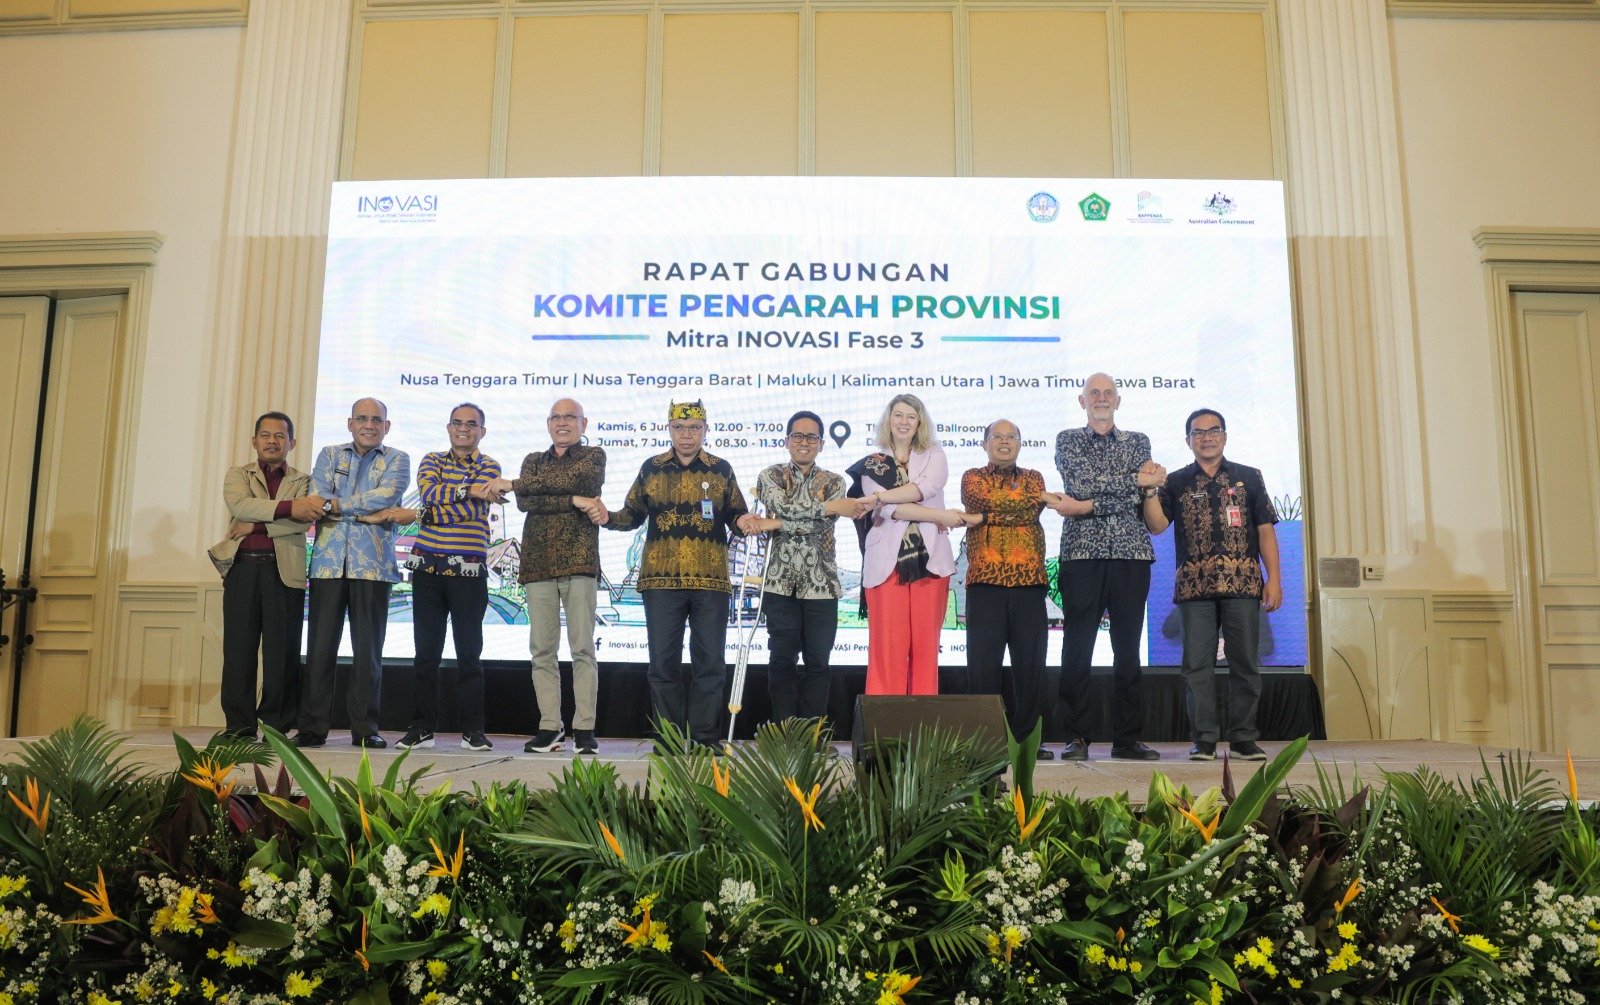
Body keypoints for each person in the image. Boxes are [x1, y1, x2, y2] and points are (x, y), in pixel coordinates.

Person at [592, 400, 747, 748]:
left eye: (694, 428)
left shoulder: (721, 469)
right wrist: (607, 517)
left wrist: (745, 521)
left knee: (710, 664)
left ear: (706, 430)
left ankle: (705, 739)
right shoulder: (652, 468)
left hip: (711, 581)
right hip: (660, 581)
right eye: (679, 428)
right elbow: (632, 515)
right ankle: (671, 740)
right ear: (669, 430)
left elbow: (736, 515)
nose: (686, 435)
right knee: (663, 666)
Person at [1144, 408, 1281, 762]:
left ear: (1224, 436)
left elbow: (1265, 530)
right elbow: (1157, 526)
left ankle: (1243, 739)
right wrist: (1149, 491)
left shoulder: (1249, 477)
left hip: (1244, 584)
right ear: (1188, 440)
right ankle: (1203, 740)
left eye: (1213, 430)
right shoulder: (1176, 481)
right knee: (1196, 665)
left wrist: (1275, 580)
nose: (1206, 438)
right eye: (1198, 432)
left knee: (1245, 663)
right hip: (1195, 588)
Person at [372, 403, 505, 753]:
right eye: (457, 423)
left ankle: (473, 730)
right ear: (449, 428)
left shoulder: (490, 466)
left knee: (469, 655)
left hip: (468, 572)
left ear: (482, 431)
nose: (464, 429)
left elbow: (471, 509)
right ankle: (421, 729)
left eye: (472, 424)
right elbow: (430, 495)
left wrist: (426, 513)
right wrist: (468, 490)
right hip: (428, 570)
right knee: (425, 654)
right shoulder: (431, 460)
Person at [1050, 372, 1165, 761]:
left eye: (1108, 393)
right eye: (1093, 393)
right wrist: (1132, 483)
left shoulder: (1139, 441)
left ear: (1118, 401)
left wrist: (1086, 506)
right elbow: (1082, 484)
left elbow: (1097, 494)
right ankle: (1077, 737)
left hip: (1132, 556)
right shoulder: (1068, 439)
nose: (1101, 398)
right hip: (1082, 556)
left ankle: (1127, 739)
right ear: (1082, 401)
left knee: (1128, 651)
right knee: (1077, 648)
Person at [296, 397, 411, 749]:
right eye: (362, 418)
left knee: (368, 653)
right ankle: (312, 728)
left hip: (373, 567)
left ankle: (365, 729)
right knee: (319, 649)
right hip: (328, 564)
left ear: (386, 426)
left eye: (376, 419)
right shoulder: (329, 455)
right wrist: (360, 512)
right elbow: (317, 497)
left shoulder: (398, 459)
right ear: (350, 423)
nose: (369, 425)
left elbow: (386, 496)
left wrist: (338, 505)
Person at [740, 410, 864, 724]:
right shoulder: (770, 476)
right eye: (798, 435)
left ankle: (812, 737)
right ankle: (784, 735)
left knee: (818, 663)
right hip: (779, 583)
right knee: (782, 660)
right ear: (787, 441)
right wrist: (828, 507)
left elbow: (821, 527)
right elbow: (782, 505)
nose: (804, 442)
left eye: (811, 437)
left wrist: (775, 524)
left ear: (821, 444)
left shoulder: (835, 482)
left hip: (822, 585)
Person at [209, 411, 322, 740]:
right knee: (239, 651)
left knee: (282, 653)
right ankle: (239, 727)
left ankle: (276, 727)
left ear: (292, 443)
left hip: (284, 572)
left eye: (280, 436)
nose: (272, 441)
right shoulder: (238, 474)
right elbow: (241, 506)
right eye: (266, 435)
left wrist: (256, 526)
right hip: (243, 569)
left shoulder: (304, 481)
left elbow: (305, 520)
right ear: (254, 441)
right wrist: (288, 509)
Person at [510, 398, 607, 755]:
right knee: (542, 650)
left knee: (583, 648)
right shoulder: (533, 460)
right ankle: (550, 727)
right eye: (556, 417)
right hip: (538, 564)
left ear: (584, 423)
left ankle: (584, 728)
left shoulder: (593, 456)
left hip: (579, 562)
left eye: (570, 417)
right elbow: (524, 501)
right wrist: (573, 501)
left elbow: (580, 480)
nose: (562, 422)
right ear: (548, 422)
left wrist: (523, 485)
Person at [852, 393, 965, 695]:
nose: (904, 422)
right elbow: (892, 510)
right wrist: (941, 515)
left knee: (926, 649)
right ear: (888, 420)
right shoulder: (872, 463)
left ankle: (924, 722)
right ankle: (883, 721)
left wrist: (878, 497)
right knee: (887, 649)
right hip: (885, 564)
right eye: (898, 415)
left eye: (911, 417)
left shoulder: (935, 454)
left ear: (920, 422)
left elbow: (924, 489)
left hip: (930, 562)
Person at [958, 419, 1054, 759]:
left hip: (1029, 582)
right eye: (996, 436)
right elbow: (982, 499)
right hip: (985, 583)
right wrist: (1016, 505)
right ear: (984, 443)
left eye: (1011, 436)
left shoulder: (1033, 477)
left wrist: (986, 515)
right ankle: (986, 741)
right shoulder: (972, 477)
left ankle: (1027, 740)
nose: (1004, 441)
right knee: (982, 668)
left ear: (1020, 443)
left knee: (1030, 667)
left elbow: (1026, 510)